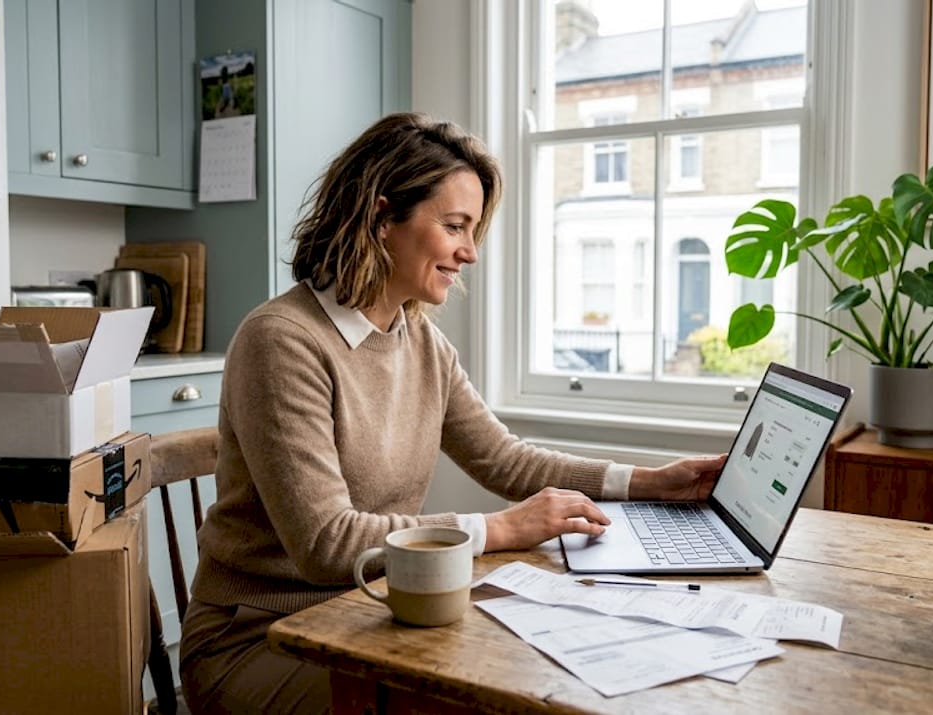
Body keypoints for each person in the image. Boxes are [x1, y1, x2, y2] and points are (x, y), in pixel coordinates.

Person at [179, 112, 727, 714]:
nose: (469, 252)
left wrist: (650, 482)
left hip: (368, 612)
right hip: (256, 638)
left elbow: (504, 459)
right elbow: (326, 544)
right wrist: (501, 528)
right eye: (454, 226)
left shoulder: (419, 340)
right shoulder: (282, 340)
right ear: (382, 219)